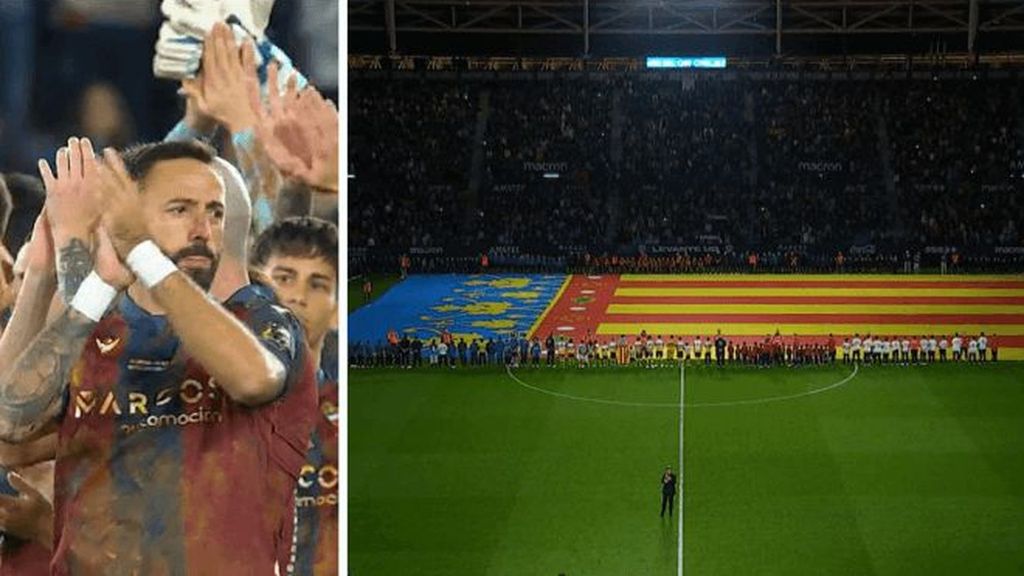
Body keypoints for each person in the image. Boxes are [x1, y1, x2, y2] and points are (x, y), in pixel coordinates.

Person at [0, 138, 317, 573]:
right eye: (180, 209)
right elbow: (9, 432)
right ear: (121, 219)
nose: (203, 229)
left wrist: (142, 252)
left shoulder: (259, 322)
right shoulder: (94, 332)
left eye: (215, 212)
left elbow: (253, 380)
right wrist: (41, 271)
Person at [251, 216, 339, 576]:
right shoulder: (199, 400)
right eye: (284, 278)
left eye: (317, 285)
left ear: (336, 309)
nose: (297, 297)